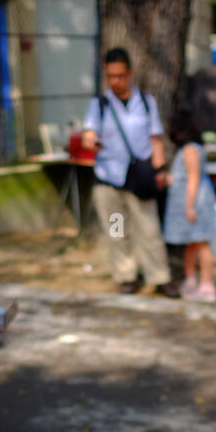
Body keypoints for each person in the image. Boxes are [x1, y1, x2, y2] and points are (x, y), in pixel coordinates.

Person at [81, 47, 180, 296]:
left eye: (120, 75)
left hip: (140, 178)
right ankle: (126, 275)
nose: (116, 81)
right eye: (111, 76)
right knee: (117, 232)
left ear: (130, 73)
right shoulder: (100, 104)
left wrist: (159, 170)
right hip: (109, 179)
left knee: (149, 228)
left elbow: (155, 140)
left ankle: (159, 276)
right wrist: (89, 141)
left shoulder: (146, 103)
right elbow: (88, 134)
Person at [161, 109, 216, 302]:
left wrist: (189, 207)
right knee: (191, 245)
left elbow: (193, 179)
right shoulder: (188, 149)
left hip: (195, 205)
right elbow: (184, 177)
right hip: (190, 205)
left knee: (202, 244)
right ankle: (191, 280)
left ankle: (206, 284)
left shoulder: (190, 150)